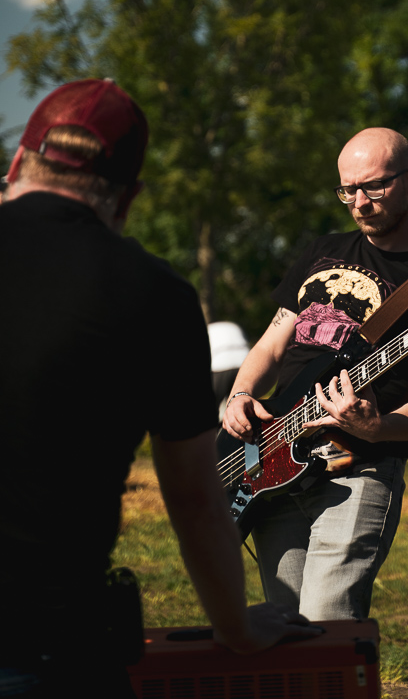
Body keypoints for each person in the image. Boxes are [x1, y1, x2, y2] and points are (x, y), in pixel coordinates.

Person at [0, 79, 313, 699]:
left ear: (15, 163)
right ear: (129, 199)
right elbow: (195, 498)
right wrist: (237, 629)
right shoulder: (155, 295)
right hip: (47, 643)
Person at [223, 127, 408, 620]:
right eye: (347, 190)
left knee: (328, 620)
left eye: (373, 187)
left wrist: (377, 426)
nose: (359, 202)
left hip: (360, 468)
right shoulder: (322, 250)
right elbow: (272, 343)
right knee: (286, 623)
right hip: (271, 458)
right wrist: (239, 395)